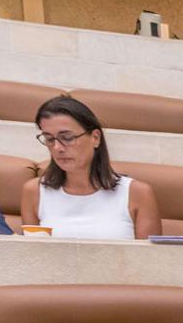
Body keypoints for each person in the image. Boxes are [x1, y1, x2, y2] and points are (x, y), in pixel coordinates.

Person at [20, 96, 160, 240]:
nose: (57, 148)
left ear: (95, 138)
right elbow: (33, 258)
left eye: (67, 137)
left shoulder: (138, 194)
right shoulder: (33, 192)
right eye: (49, 139)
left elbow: (151, 260)